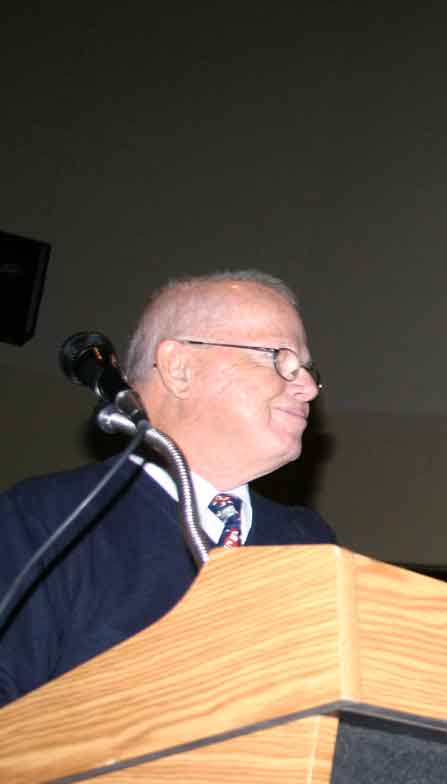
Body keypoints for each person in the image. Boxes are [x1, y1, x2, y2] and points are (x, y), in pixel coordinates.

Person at [0, 270, 335, 705]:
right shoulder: (46, 521)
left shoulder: (309, 544)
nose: (307, 388)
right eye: (279, 358)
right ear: (179, 368)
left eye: (306, 370)